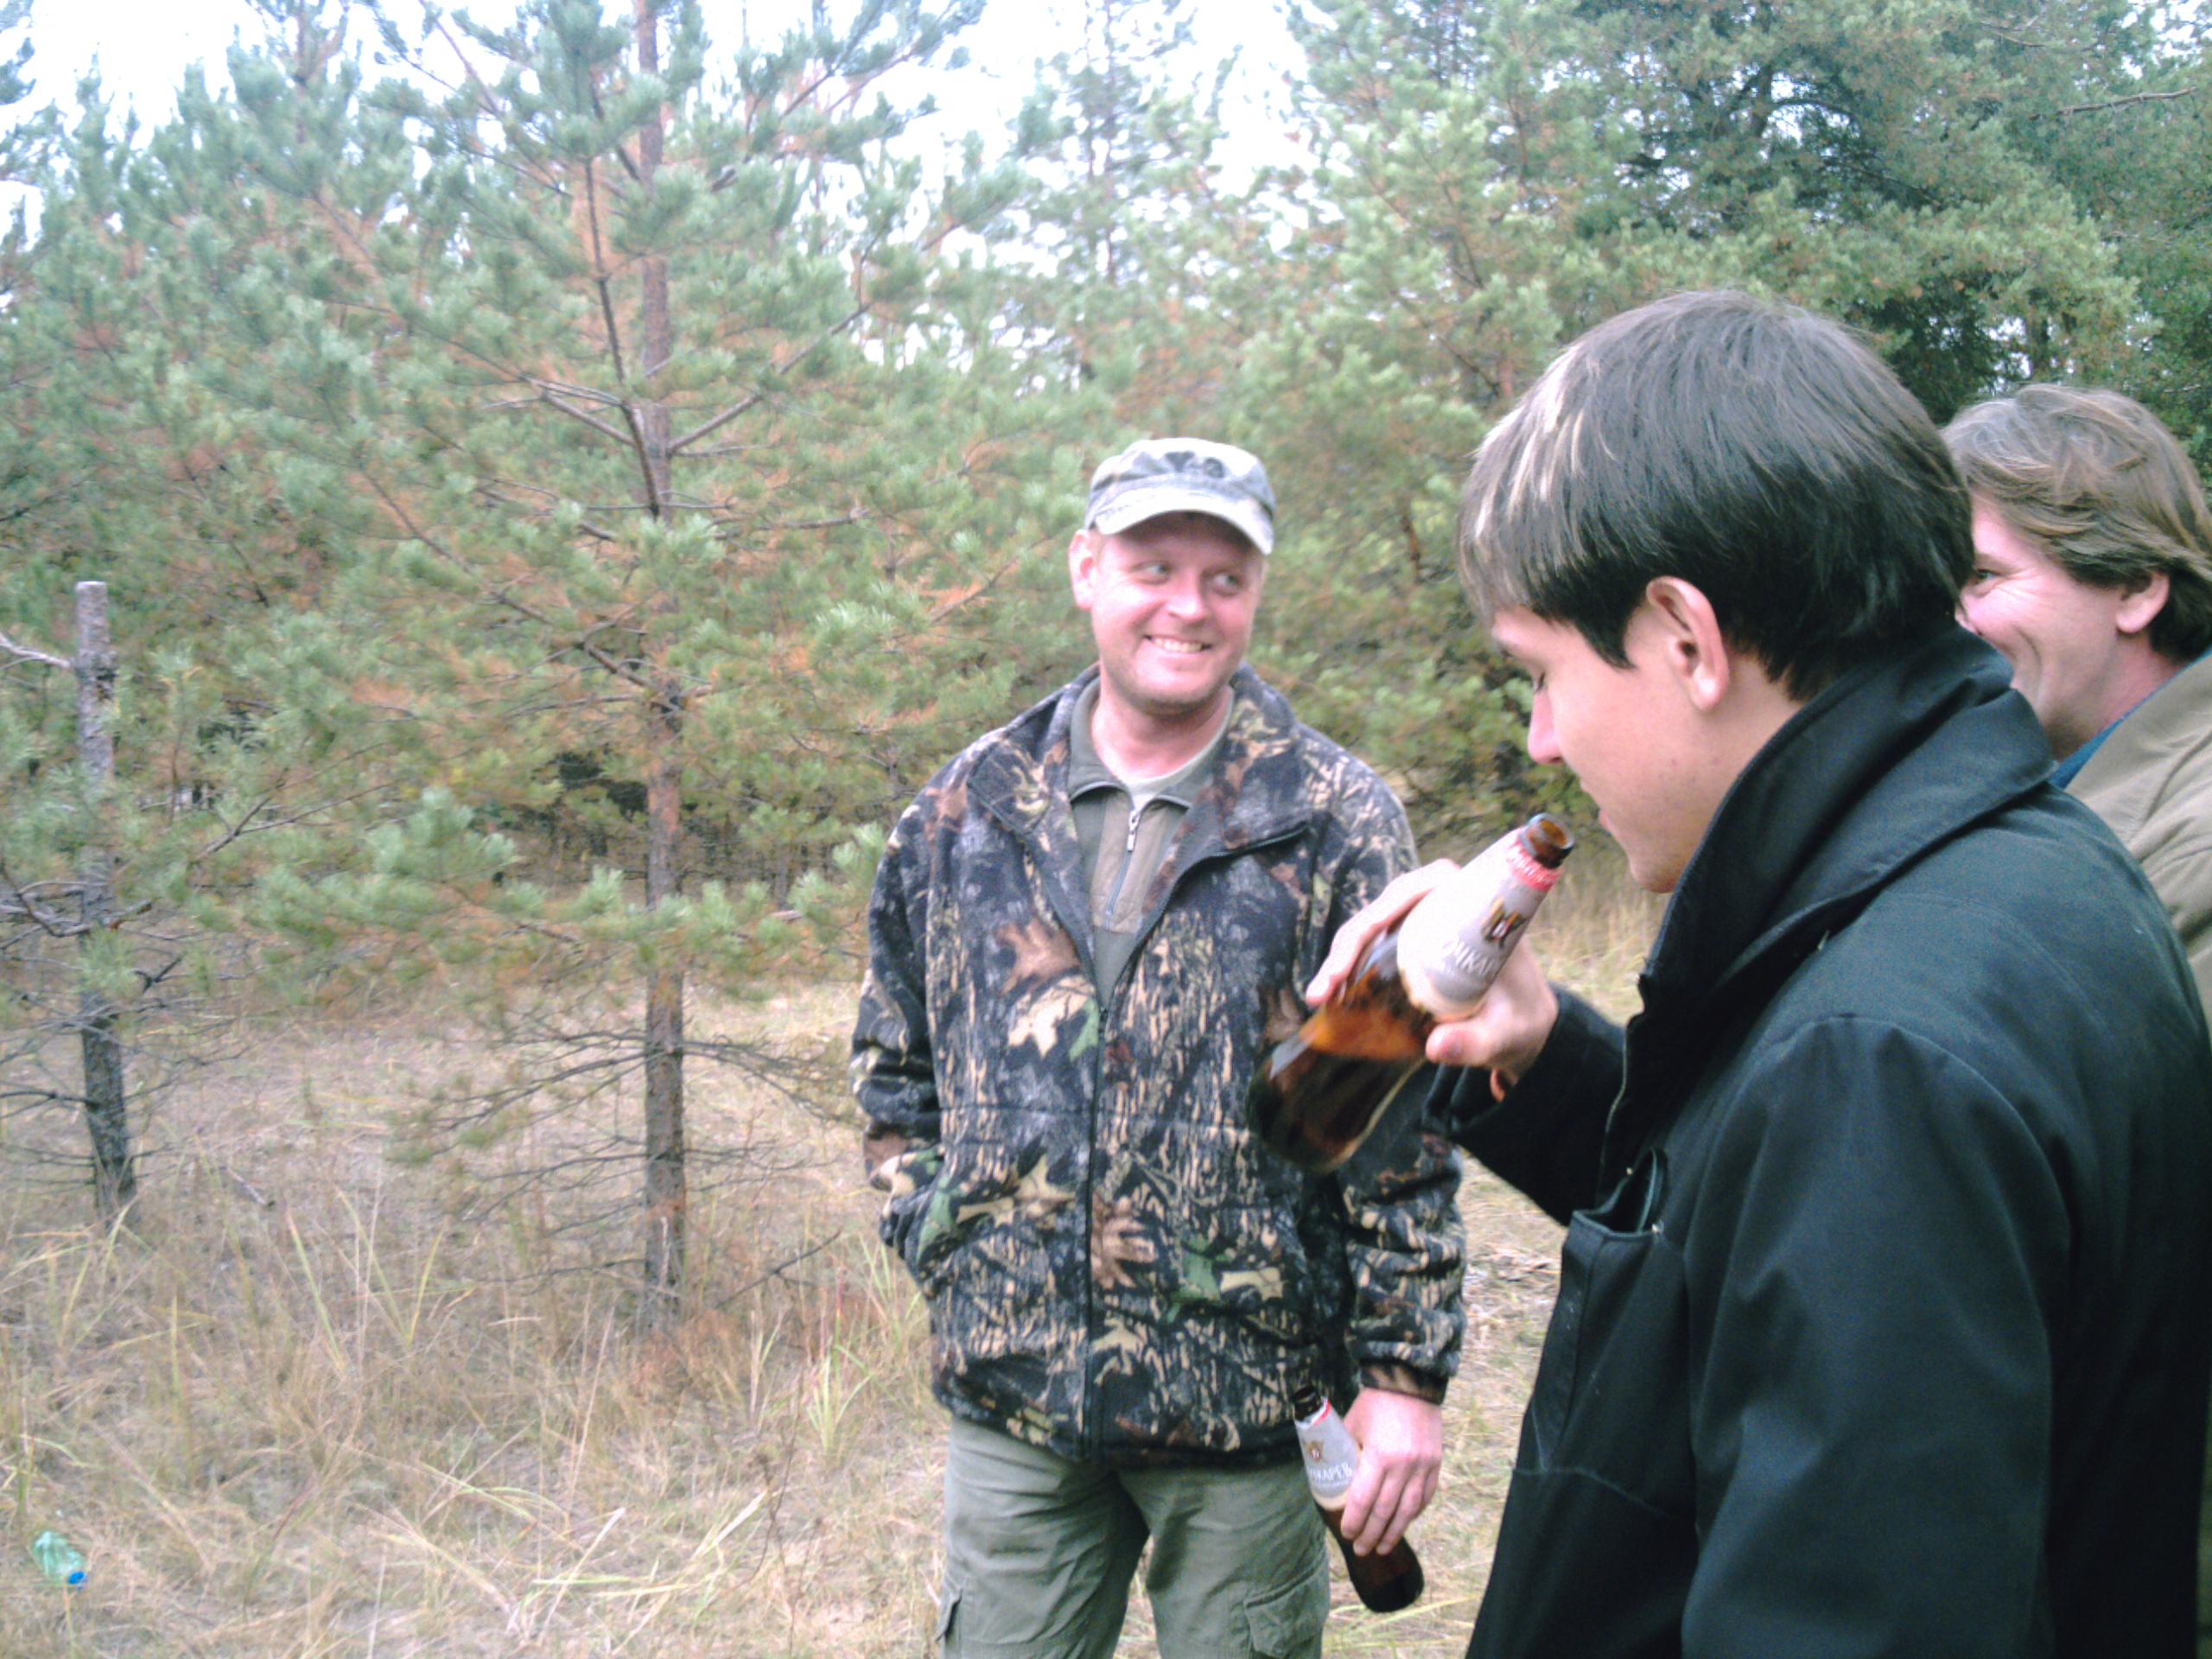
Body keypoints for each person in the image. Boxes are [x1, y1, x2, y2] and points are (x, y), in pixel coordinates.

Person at [1312, 292, 2212, 1656]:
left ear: (1687, 637)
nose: (1544, 737)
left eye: (1542, 673)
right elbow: (1762, 1249)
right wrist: (1549, 1052)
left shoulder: (1882, 1052)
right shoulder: (2005, 871)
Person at [852, 436, 1464, 1658]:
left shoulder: (1336, 820)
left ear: (1256, 595)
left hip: (1249, 1401)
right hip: (1017, 1403)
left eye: (1224, 578)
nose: (1189, 605)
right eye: (1154, 568)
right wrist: (950, 1241)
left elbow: (1397, 1122)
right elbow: (893, 1067)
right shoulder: (965, 808)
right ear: (1087, 569)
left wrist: (1402, 1376)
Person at [1943, 384, 2212, 1655]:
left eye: (1985, 577)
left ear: (2138, 588)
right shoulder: (2066, 804)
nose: (1951, 620)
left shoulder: (2185, 851)